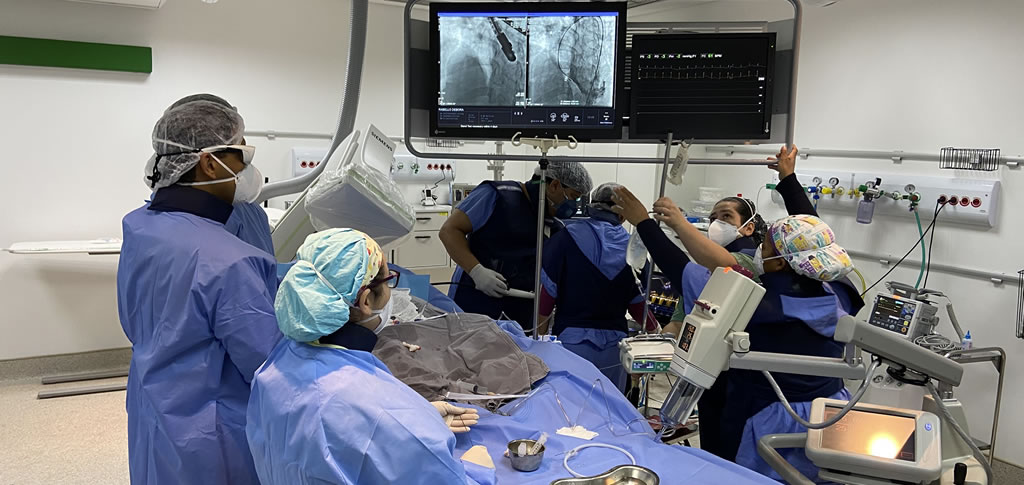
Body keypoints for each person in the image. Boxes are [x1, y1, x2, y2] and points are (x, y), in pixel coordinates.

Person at [612, 146, 863, 481]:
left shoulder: (752, 303)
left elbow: (680, 267)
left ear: (781, 262)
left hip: (763, 418)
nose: (760, 250)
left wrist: (643, 222)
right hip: (829, 413)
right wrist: (788, 179)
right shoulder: (840, 291)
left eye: (766, 246)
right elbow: (811, 236)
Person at [117, 100, 282, 484]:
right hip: (212, 431)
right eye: (241, 154)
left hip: (153, 405)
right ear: (210, 163)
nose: (248, 168)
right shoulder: (229, 262)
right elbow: (268, 366)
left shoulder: (140, 227)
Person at [247, 229, 490, 485]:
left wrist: (419, 417)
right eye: (388, 280)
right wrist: (478, 468)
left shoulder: (274, 366)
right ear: (365, 301)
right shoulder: (379, 410)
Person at [439, 161, 593, 328]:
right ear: (554, 185)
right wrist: (476, 271)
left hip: (521, 312)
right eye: (573, 197)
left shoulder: (553, 226)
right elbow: (449, 231)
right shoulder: (497, 195)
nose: (574, 206)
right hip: (475, 298)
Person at [537, 183, 658, 393]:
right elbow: (639, 305)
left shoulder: (566, 238)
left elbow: (547, 297)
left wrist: (539, 341)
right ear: (622, 215)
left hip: (571, 344)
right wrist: (656, 332)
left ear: (591, 206)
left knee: (568, 407)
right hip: (615, 349)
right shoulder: (633, 248)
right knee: (610, 407)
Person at [161, 93, 276, 256]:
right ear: (209, 164)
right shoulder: (177, 228)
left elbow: (265, 268)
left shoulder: (252, 213)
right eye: (240, 153)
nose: (246, 165)